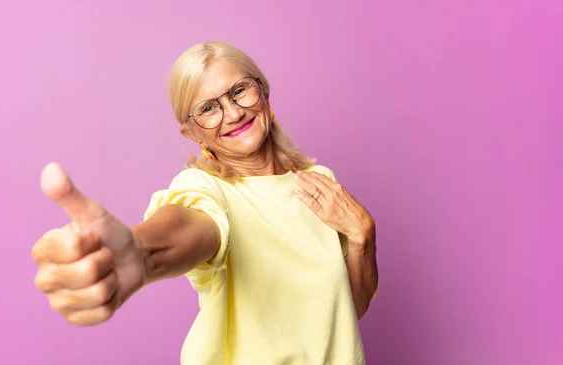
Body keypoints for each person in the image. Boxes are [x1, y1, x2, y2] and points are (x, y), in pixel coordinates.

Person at [32, 41, 379, 365]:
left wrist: (363, 235)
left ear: (264, 93)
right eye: (209, 108)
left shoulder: (320, 182)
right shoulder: (205, 190)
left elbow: (348, 310)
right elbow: (188, 226)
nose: (232, 113)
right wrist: (141, 253)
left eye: (240, 91)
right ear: (192, 133)